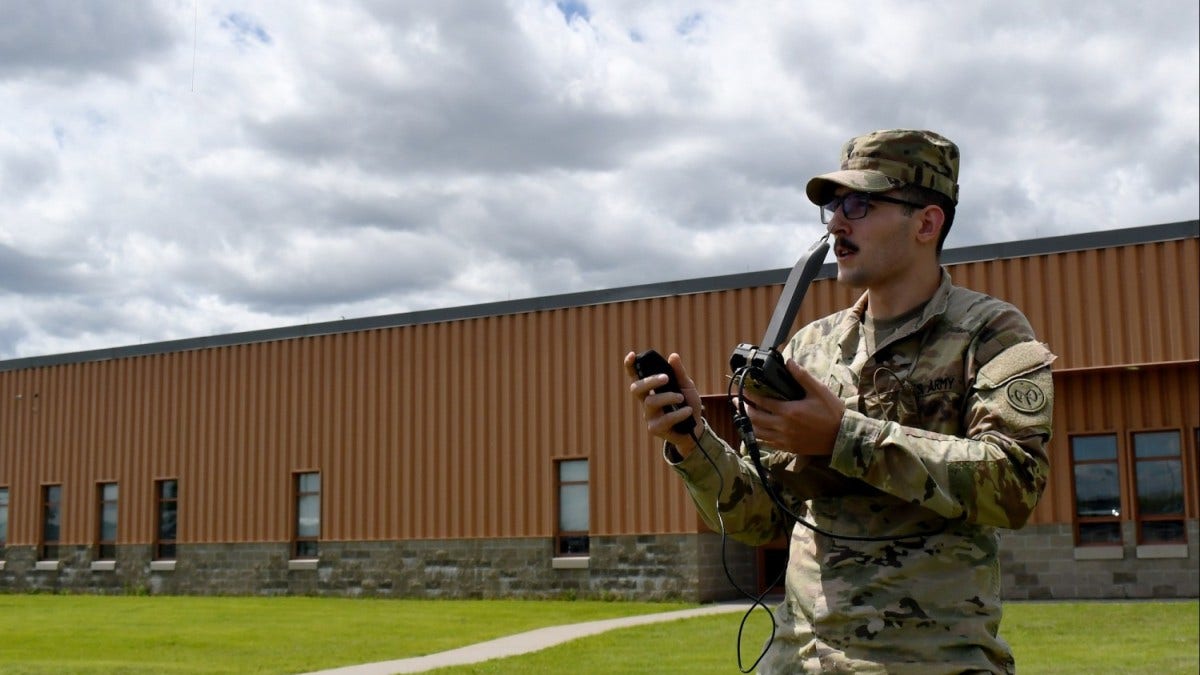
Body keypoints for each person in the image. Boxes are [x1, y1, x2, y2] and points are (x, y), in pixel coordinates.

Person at [624, 129, 1054, 674]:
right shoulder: (812, 346)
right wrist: (692, 443)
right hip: (797, 660)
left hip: (929, 661)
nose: (836, 223)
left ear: (927, 222)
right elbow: (769, 519)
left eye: (860, 204)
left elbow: (1015, 483)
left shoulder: (990, 333)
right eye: (832, 206)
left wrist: (841, 437)